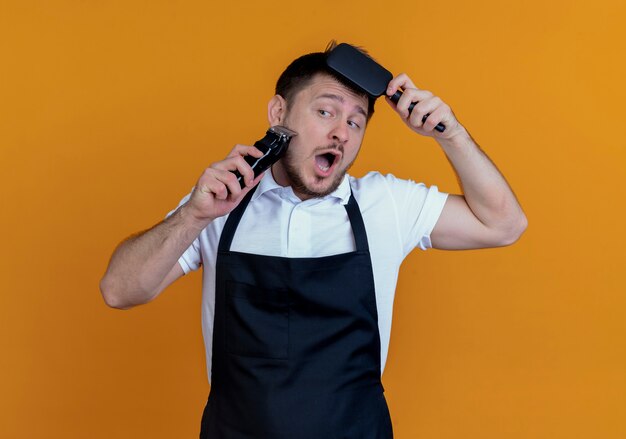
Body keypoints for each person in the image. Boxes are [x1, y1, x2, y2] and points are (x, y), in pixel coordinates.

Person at [100, 41, 527, 438]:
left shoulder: (386, 204)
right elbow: (119, 290)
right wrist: (193, 215)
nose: (341, 132)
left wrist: (449, 133)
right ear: (278, 113)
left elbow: (504, 225)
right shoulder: (217, 204)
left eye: (355, 121)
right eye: (326, 112)